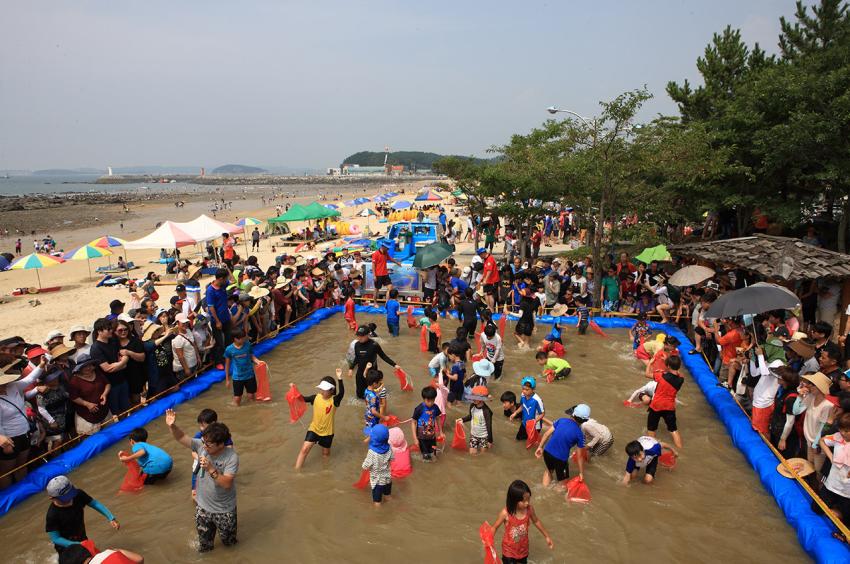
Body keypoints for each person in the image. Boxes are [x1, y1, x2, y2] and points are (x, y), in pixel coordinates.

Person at [166, 409, 239, 553]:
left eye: (208, 444)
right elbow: (182, 437)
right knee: (204, 547)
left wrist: (211, 469)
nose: (204, 446)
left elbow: (227, 483)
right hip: (203, 508)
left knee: (230, 545)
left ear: (220, 444)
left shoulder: (231, 457)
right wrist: (172, 426)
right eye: (204, 442)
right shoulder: (202, 445)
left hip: (224, 510)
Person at [0, 356, 45, 487]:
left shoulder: (13, 386)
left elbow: (30, 379)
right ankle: (9, 496)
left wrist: (41, 365)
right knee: (6, 471)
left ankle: (25, 491)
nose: (3, 386)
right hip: (9, 439)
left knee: (22, 464)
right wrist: (5, 442)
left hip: (24, 432)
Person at [44, 475, 119, 554]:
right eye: (65, 498)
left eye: (70, 494)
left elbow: (94, 503)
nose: (70, 500)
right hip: (66, 547)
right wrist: (78, 544)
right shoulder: (52, 515)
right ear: (52, 498)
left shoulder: (78, 494)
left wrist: (111, 517)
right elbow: (56, 538)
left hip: (82, 538)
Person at [491, 480, 554, 563]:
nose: (527, 503)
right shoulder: (506, 513)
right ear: (514, 500)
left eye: (528, 499)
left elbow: (536, 521)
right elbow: (494, 527)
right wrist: (489, 542)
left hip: (523, 550)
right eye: (524, 501)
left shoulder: (529, 510)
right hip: (508, 551)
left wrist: (547, 536)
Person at [294, 369, 345, 469]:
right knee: (304, 450)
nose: (321, 391)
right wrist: (294, 390)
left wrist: (339, 378)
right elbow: (302, 399)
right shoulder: (315, 397)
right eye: (321, 388)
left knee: (325, 454)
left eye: (324, 389)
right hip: (314, 429)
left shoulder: (334, 401)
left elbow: (342, 393)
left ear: (331, 390)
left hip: (328, 433)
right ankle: (296, 471)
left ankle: (325, 471)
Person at [793, 371, 835, 478]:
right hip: (808, 440)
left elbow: (823, 427)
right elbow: (796, 411)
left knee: (818, 471)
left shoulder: (827, 406)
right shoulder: (810, 398)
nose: (809, 386)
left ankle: (816, 491)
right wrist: (800, 396)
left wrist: (816, 444)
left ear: (819, 388)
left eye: (812, 384)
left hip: (817, 443)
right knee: (809, 466)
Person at [89, 318, 130, 418]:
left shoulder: (113, 340)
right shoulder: (96, 348)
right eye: (108, 329)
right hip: (110, 385)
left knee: (127, 409)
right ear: (99, 331)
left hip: (122, 380)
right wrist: (123, 364)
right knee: (116, 413)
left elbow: (123, 355)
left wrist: (122, 362)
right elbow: (107, 369)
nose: (111, 331)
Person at [534, 409, 586, 486]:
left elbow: (546, 434)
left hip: (547, 452)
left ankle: (544, 489)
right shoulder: (580, 434)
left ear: (573, 414)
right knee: (563, 482)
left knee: (549, 471)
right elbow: (580, 456)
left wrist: (540, 447)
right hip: (560, 459)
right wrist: (581, 473)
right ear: (585, 420)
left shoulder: (561, 420)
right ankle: (551, 497)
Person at [347, 325, 400, 399]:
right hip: (360, 373)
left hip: (372, 374)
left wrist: (394, 365)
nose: (359, 337)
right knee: (359, 395)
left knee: (373, 395)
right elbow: (357, 358)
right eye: (358, 335)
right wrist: (351, 368)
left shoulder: (374, 345)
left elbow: (383, 356)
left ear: (368, 335)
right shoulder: (356, 345)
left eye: (362, 336)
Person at [817, 413, 850, 526]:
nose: (843, 433)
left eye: (846, 431)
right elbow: (822, 441)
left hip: (847, 490)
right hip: (832, 483)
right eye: (841, 430)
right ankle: (836, 510)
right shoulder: (838, 437)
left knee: (847, 522)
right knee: (816, 508)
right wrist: (831, 457)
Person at [67, 356, 111, 437]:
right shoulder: (74, 380)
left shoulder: (97, 373)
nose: (89, 368)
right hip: (87, 416)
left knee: (109, 434)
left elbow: (107, 384)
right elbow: (73, 397)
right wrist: (87, 404)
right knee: (92, 439)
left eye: (90, 365)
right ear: (80, 368)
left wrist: (104, 394)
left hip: (104, 411)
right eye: (85, 366)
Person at [646, 355, 684, 449]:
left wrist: (650, 363)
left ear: (668, 366)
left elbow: (647, 374)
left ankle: (653, 449)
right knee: (673, 430)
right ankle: (680, 448)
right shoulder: (681, 379)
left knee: (651, 429)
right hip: (669, 407)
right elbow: (677, 373)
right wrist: (668, 362)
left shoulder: (661, 376)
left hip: (656, 406)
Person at [224, 330, 261, 407]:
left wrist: (258, 362)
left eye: (244, 338)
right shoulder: (229, 349)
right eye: (241, 338)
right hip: (237, 377)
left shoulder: (248, 345)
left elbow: (252, 356)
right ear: (235, 339)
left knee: (251, 397)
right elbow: (227, 365)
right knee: (237, 399)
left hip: (250, 375)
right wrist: (227, 380)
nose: (243, 340)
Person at [206, 268, 232, 368]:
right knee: (219, 342)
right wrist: (217, 321)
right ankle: (218, 362)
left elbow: (232, 280)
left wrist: (227, 269)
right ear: (221, 278)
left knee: (228, 339)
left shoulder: (223, 285)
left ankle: (228, 357)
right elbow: (211, 307)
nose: (227, 280)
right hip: (217, 320)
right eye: (225, 278)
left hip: (226, 317)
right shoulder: (210, 290)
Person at [362, 424, 393, 507]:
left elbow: (365, 466)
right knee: (388, 496)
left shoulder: (372, 453)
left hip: (377, 481)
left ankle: (378, 516)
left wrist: (365, 464)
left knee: (377, 502)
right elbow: (391, 459)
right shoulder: (389, 448)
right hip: (388, 477)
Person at [457, 385, 493, 454]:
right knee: (472, 455)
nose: (473, 399)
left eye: (475, 398)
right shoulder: (472, 406)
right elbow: (470, 416)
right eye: (473, 397)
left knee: (483, 455)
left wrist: (490, 441)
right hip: (474, 435)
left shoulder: (486, 411)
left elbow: (489, 427)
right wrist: (462, 419)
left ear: (482, 399)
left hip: (484, 437)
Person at [410, 386, 443, 461]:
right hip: (422, 438)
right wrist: (415, 438)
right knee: (426, 457)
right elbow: (413, 422)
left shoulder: (435, 408)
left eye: (433, 400)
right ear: (424, 399)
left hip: (432, 437)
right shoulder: (419, 409)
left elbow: (438, 418)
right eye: (428, 401)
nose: (431, 403)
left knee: (434, 455)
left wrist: (441, 432)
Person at [509, 377, 545, 441]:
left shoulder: (537, 400)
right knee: (518, 439)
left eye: (527, 389)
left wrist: (534, 421)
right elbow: (523, 406)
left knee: (531, 442)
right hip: (524, 422)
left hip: (534, 426)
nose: (524, 391)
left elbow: (542, 414)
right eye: (523, 389)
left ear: (533, 389)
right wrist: (515, 413)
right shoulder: (523, 395)